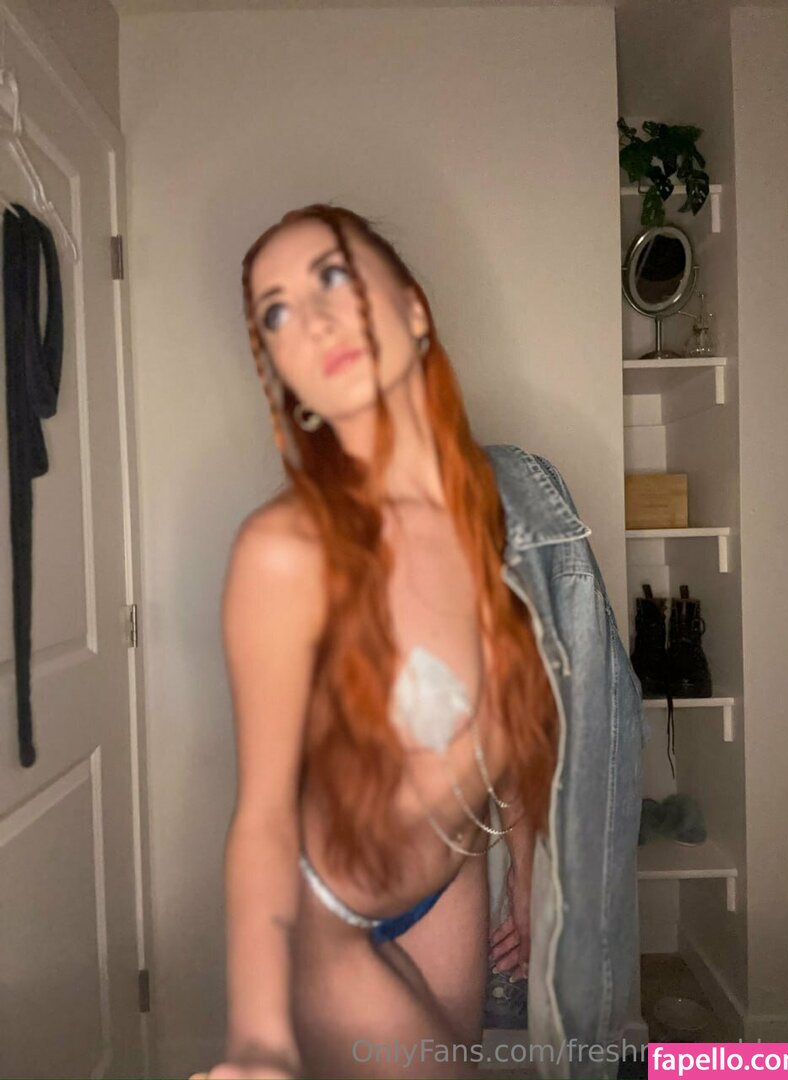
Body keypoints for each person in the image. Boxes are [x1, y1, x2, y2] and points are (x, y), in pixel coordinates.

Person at [191, 203, 563, 1080]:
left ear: (414, 309)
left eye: (334, 275)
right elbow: (261, 818)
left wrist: (524, 864)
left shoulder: (509, 508)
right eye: (275, 312)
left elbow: (518, 704)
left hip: (454, 875)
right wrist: (256, 1041)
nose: (312, 319)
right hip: (328, 920)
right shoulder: (284, 549)